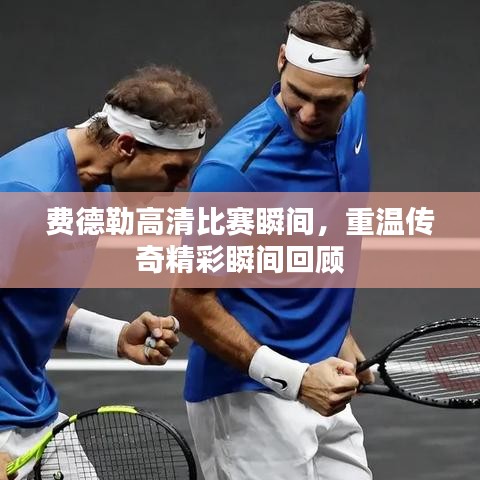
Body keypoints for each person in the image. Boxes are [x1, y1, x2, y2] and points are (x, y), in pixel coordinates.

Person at [170, 2, 376, 479]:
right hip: (247, 403)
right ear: (281, 59)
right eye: (298, 93)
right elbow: (189, 303)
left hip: (325, 378)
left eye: (328, 102)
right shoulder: (234, 172)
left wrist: (338, 334)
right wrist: (296, 379)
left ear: (359, 82)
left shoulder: (353, 119)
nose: (309, 114)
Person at [0, 65, 221, 480]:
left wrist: (116, 337)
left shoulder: (97, 190)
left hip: (33, 416)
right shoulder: (26, 195)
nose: (183, 186)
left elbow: (30, 306)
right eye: (173, 171)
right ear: (125, 146)